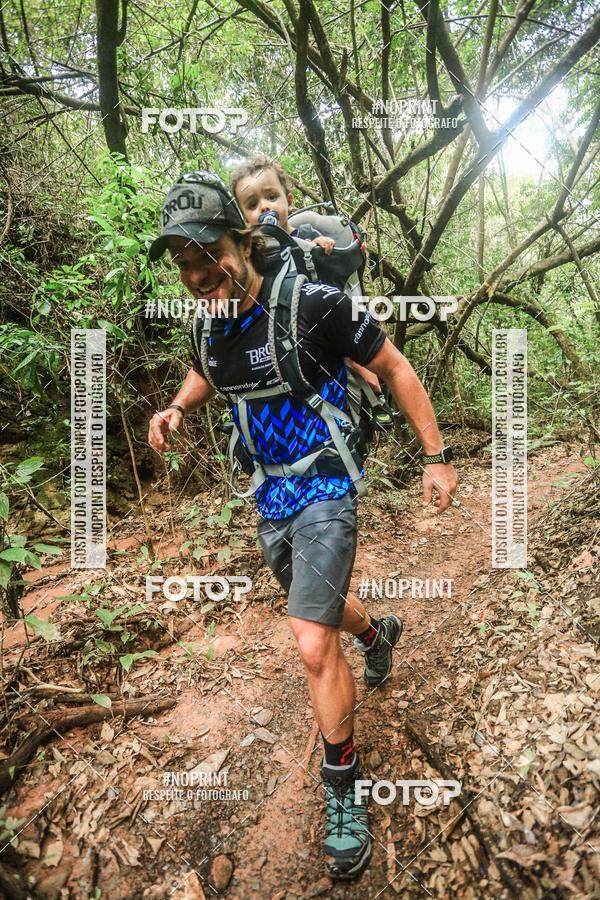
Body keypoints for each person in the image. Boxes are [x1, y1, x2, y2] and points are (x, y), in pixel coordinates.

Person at [147, 170, 458, 880]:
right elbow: (207, 370)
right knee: (317, 613)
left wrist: (436, 458)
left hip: (327, 481)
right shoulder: (211, 322)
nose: (198, 273)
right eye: (185, 264)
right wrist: (178, 408)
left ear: (244, 240)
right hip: (270, 496)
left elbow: (395, 365)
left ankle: (342, 787)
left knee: (312, 643)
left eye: (209, 254)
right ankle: (379, 633)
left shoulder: (313, 304)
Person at [230, 153, 384, 400]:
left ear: (289, 201)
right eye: (252, 204)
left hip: (323, 320)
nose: (264, 207)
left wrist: (317, 244)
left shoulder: (306, 233)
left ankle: (362, 369)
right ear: (244, 219)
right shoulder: (251, 254)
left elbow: (330, 284)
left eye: (271, 197)